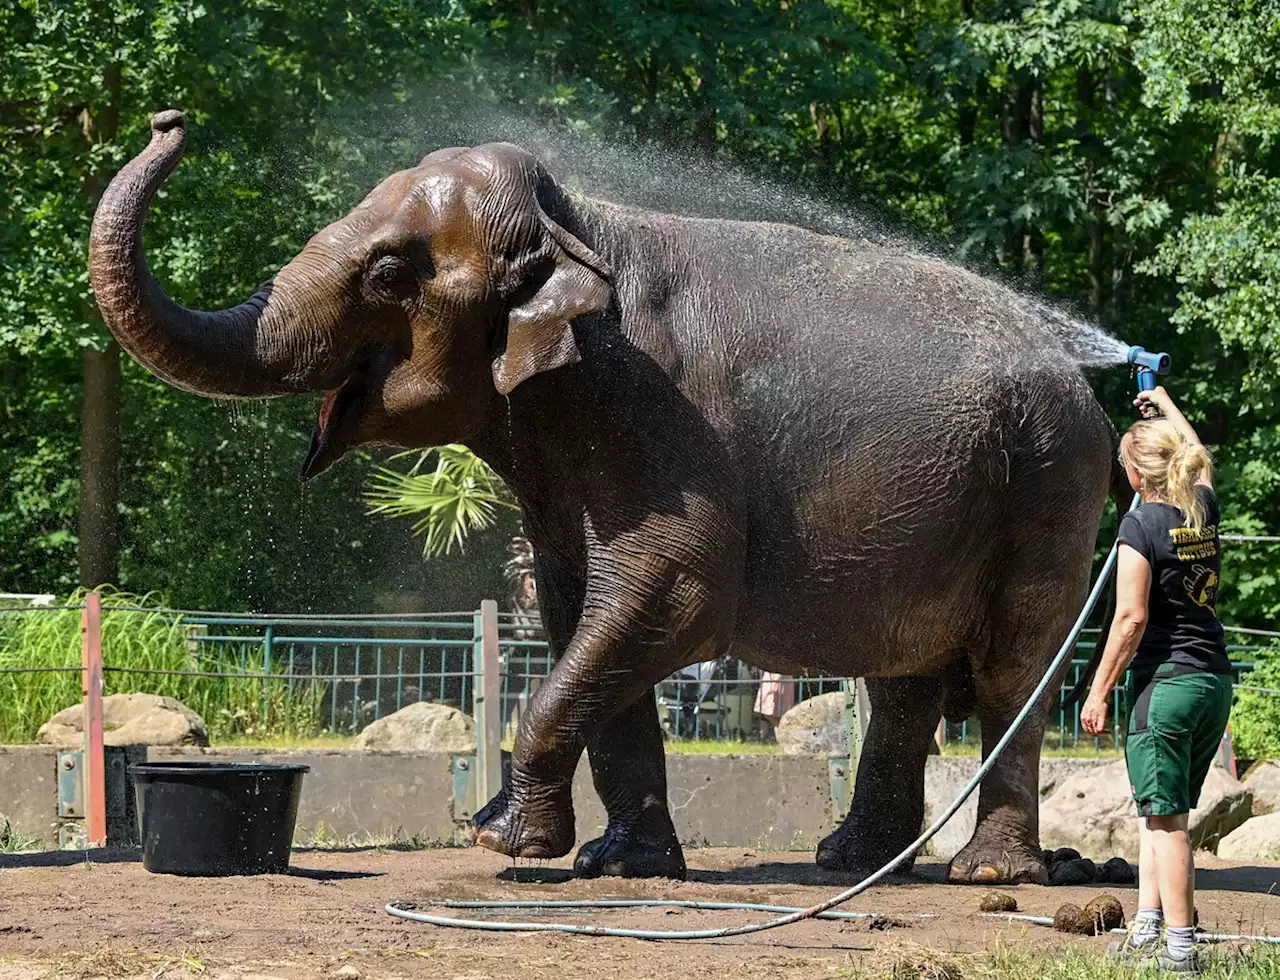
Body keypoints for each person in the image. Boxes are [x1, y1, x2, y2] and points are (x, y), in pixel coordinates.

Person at [1082, 386, 1232, 975]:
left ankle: (1180, 947)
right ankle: (1147, 926)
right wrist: (1166, 403)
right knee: (1161, 812)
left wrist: (1097, 692)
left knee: (1168, 825)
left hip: (1164, 688)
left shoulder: (1139, 526)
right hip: (1213, 682)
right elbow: (1199, 454)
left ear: (1138, 476)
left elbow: (1131, 619)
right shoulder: (1203, 508)